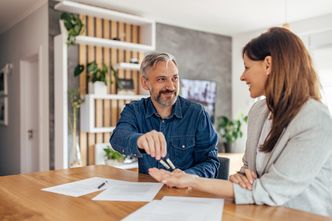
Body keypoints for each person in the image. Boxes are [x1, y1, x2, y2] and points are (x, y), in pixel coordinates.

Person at [149, 27, 332, 216]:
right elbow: (248, 171)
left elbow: (271, 190)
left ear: (268, 64)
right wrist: (241, 176)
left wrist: (192, 180)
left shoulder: (314, 118)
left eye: (247, 67)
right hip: (261, 213)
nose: (242, 76)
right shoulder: (258, 111)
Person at [109, 52, 219, 178]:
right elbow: (117, 137)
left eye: (175, 78)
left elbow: (210, 162)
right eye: (161, 79)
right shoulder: (134, 110)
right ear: (145, 83)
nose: (171, 86)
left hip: (187, 192)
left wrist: (188, 176)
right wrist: (139, 140)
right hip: (148, 192)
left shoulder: (197, 113)